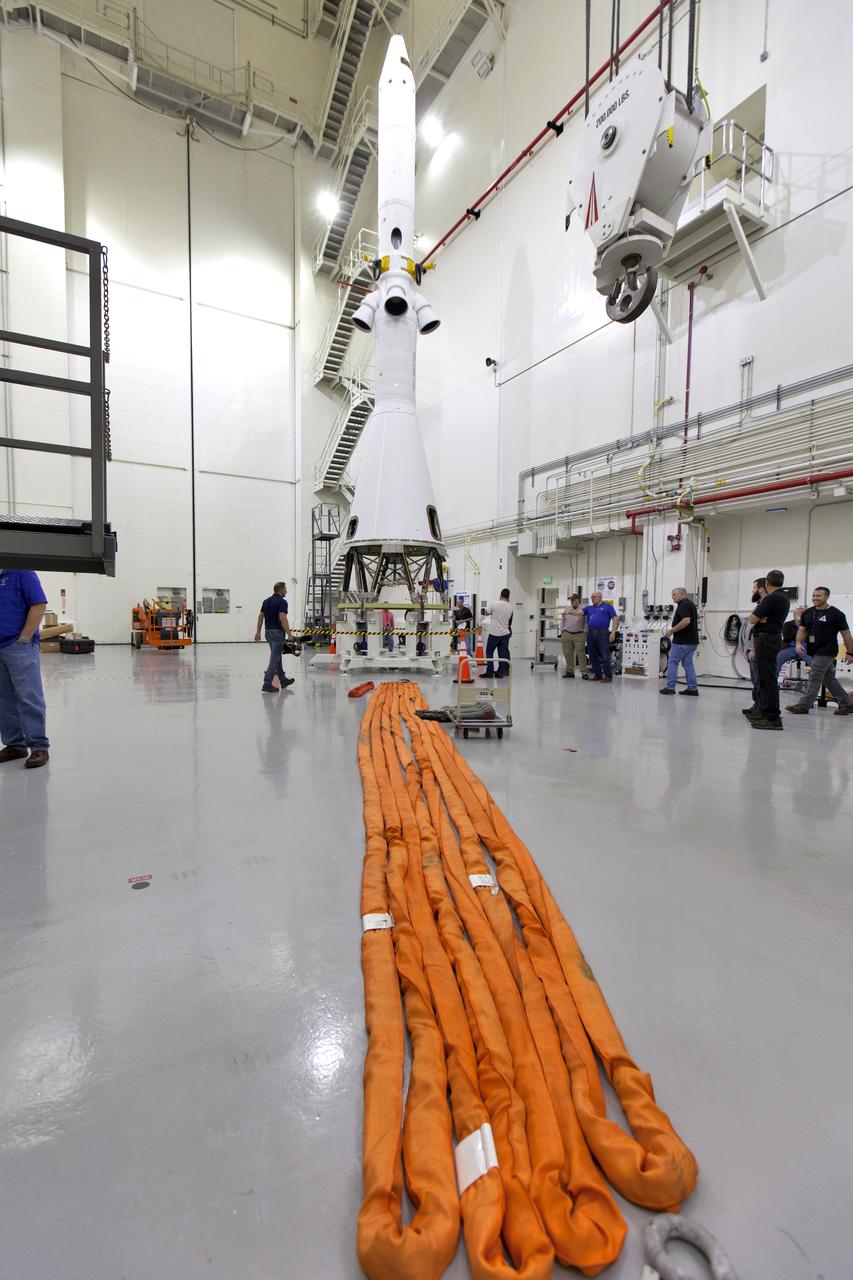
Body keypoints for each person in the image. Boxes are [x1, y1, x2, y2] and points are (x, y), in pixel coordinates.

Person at [0, 567, 50, 768]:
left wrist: (25, 637)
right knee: (4, 699)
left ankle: (38, 747)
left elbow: (38, 605)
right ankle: (15, 745)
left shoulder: (22, 571)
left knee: (28, 696)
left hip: (18, 645)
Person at [786, 587, 853, 716]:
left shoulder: (836, 614)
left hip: (828, 650)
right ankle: (846, 704)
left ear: (827, 597)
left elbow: (846, 634)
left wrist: (850, 652)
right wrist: (799, 643)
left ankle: (804, 705)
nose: (815, 598)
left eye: (819, 596)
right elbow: (802, 630)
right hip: (813, 650)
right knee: (828, 679)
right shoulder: (808, 613)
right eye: (814, 595)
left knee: (815, 676)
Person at [745, 569, 789, 730]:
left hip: (767, 640)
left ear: (767, 584)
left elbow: (752, 619)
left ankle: (772, 717)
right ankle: (763, 711)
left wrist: (757, 617)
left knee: (767, 680)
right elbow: (757, 618)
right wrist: (759, 618)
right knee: (764, 679)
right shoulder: (783, 598)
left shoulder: (772, 598)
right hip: (771, 639)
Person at [255, 581, 296, 693]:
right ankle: (267, 683)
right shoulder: (282, 602)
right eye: (285, 589)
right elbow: (282, 617)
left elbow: (260, 616)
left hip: (268, 633)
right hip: (278, 633)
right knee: (275, 658)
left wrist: (258, 632)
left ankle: (283, 680)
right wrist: (289, 634)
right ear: (281, 589)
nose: (286, 591)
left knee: (276, 656)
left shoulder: (266, 601)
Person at [660, 587, 699, 695]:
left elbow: (686, 621)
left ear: (682, 594)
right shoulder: (689, 604)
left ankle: (670, 687)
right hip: (692, 641)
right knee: (688, 664)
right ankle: (692, 689)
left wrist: (672, 630)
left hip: (682, 641)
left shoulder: (684, 604)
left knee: (672, 662)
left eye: (674, 594)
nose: (672, 597)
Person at [742, 578, 766, 716]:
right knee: (755, 681)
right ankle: (756, 705)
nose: (752, 590)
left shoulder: (766, 606)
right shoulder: (759, 605)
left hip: (756, 649)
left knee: (759, 681)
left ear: (761, 589)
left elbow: (762, 631)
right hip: (751, 649)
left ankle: (760, 707)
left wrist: (754, 649)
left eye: (754, 587)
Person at [582, 591, 618, 682]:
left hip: (602, 632)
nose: (592, 599)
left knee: (604, 655)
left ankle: (608, 676)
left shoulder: (608, 607)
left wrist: (613, 633)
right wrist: (569, 611)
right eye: (591, 597)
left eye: (594, 597)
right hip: (591, 633)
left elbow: (615, 618)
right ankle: (598, 675)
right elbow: (579, 612)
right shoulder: (589, 608)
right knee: (592, 655)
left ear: (600, 597)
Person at [481, 589, 512, 678]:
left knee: (489, 652)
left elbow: (486, 613)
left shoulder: (494, 604)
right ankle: (500, 673)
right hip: (505, 633)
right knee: (502, 655)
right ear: (508, 596)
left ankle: (489, 672)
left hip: (495, 633)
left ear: (500, 595)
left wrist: (483, 611)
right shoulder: (510, 606)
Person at [559, 592, 589, 679]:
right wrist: (562, 632)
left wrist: (584, 632)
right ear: (572, 602)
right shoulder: (567, 610)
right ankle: (570, 672)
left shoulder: (582, 610)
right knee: (568, 654)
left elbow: (586, 622)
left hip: (579, 635)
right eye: (575, 601)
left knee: (581, 654)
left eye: (578, 602)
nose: (577, 603)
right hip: (567, 634)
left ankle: (584, 672)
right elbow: (563, 622)